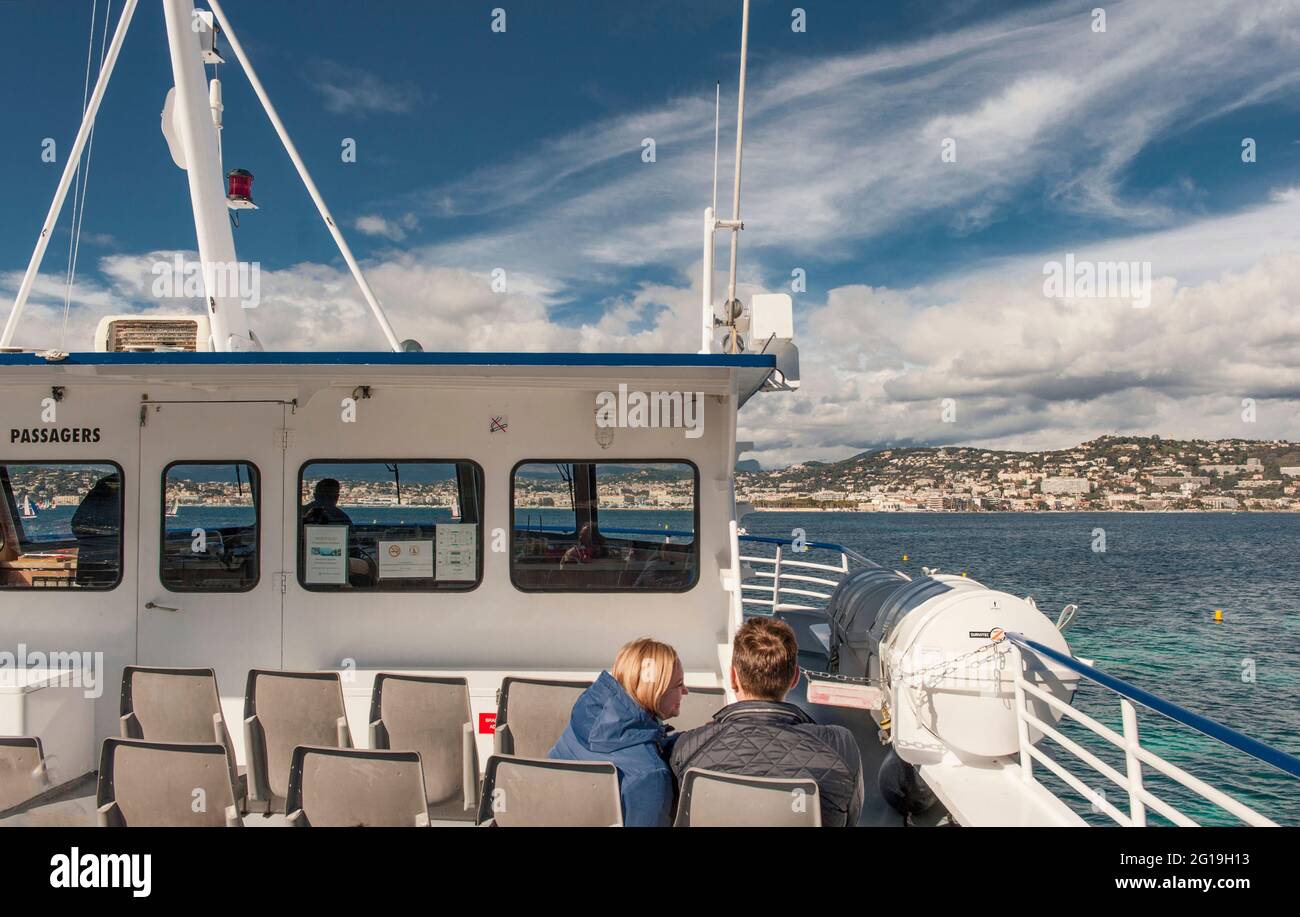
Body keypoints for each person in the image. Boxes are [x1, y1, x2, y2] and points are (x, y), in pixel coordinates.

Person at [670, 616, 864, 826]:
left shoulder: (686, 749)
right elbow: (850, 819)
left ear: (733, 677)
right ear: (794, 678)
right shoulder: (841, 747)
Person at [549, 638, 687, 826]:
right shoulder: (650, 774)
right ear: (656, 691)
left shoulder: (582, 724)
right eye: (679, 685)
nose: (685, 691)